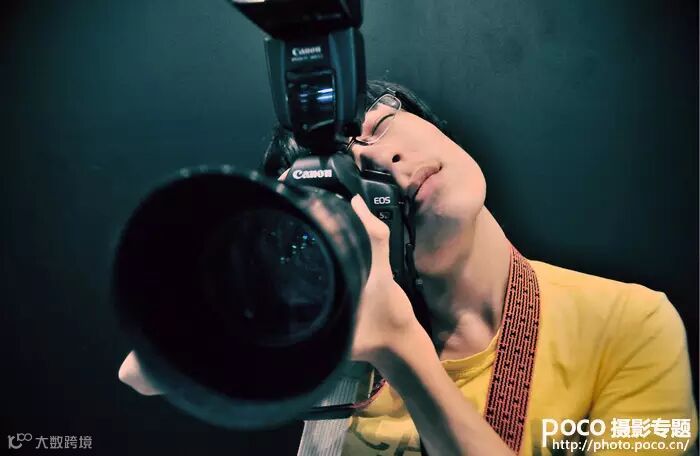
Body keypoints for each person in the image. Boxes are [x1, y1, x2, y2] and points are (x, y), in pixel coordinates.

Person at [119, 80, 698, 455]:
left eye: (378, 128)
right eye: (354, 175)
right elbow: (140, 371)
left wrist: (400, 347)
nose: (388, 161)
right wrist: (274, 275)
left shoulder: (628, 322)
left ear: (432, 122)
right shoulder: (340, 335)